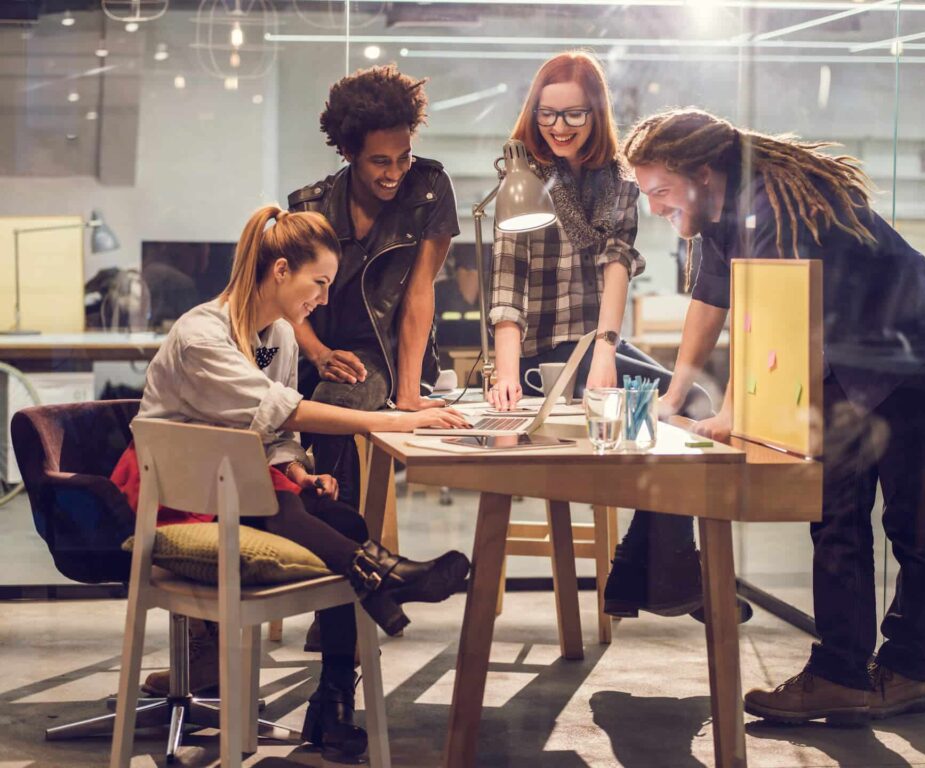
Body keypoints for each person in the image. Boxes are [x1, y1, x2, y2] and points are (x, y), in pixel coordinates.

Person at [623, 107, 925, 725]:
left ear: (702, 172)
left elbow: (776, 315)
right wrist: (674, 397)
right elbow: (711, 298)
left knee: (911, 520)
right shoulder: (717, 212)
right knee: (835, 512)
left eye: (660, 191)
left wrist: (733, 412)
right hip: (850, 354)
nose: (655, 207)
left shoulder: (768, 205)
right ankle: (843, 673)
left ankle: (906, 670)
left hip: (910, 350)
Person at [110, 205, 470, 762]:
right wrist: (396, 417)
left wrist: (298, 469)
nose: (323, 300)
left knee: (343, 517)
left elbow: (272, 430)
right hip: (177, 493)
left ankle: (333, 699)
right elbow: (288, 409)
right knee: (276, 499)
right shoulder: (202, 334)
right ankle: (382, 577)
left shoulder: (278, 333)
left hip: (241, 482)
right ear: (281, 271)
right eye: (319, 283)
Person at [487, 51, 727, 622]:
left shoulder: (620, 182)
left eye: (574, 115)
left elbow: (617, 263)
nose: (559, 128)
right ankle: (657, 577)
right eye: (547, 114)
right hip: (538, 360)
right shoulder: (522, 180)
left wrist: (605, 350)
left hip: (593, 347)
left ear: (596, 115)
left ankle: (646, 573)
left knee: (688, 402)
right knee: (678, 405)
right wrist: (503, 372)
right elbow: (507, 285)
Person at [287, 64, 460, 509]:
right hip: (309, 349)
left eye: (403, 156)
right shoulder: (310, 207)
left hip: (382, 351)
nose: (395, 171)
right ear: (347, 151)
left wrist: (408, 392)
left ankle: (343, 537)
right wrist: (318, 353)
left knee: (338, 399)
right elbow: (285, 306)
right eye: (380, 161)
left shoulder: (429, 189)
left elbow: (420, 293)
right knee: (257, 392)